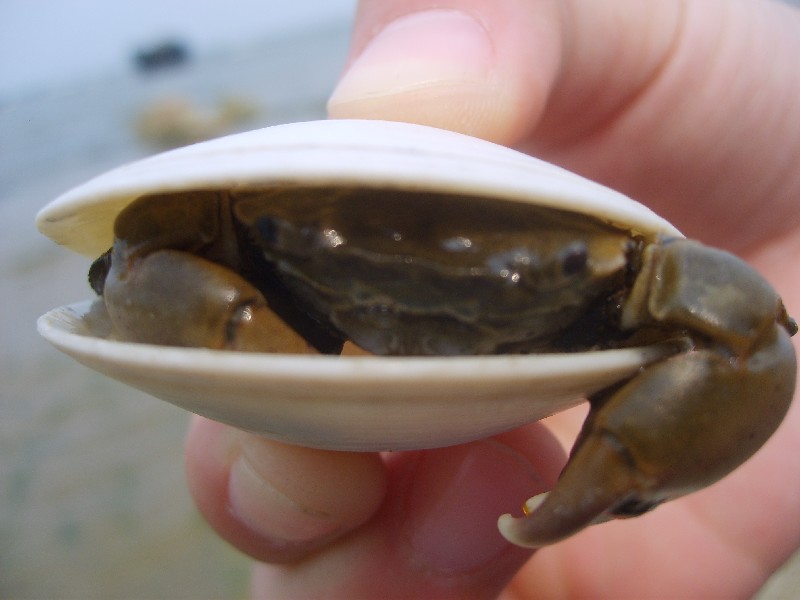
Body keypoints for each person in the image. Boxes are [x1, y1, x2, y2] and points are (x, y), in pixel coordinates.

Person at [185, 1, 800, 597]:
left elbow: (749, 338)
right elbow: (139, 259)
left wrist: (633, 466)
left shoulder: (638, 279)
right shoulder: (234, 230)